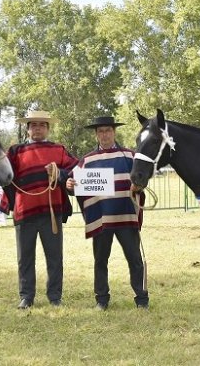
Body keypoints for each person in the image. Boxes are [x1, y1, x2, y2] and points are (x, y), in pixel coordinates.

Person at [66, 116, 149, 310]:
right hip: (101, 219)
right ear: (96, 134)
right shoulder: (87, 160)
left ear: (114, 132)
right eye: (101, 131)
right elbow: (73, 185)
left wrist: (139, 186)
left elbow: (142, 179)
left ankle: (142, 299)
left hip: (126, 217)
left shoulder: (130, 156)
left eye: (108, 130)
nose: (105, 134)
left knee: (135, 260)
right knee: (100, 261)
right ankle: (101, 299)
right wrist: (69, 185)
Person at [0, 110, 79, 309]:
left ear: (48, 129)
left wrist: (59, 173)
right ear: (27, 129)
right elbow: (3, 174)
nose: (37, 128)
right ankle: (26, 296)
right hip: (24, 212)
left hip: (51, 213)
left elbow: (76, 170)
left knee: (55, 257)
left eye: (42, 125)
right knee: (24, 257)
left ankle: (55, 297)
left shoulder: (59, 150)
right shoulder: (15, 151)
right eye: (33, 125)